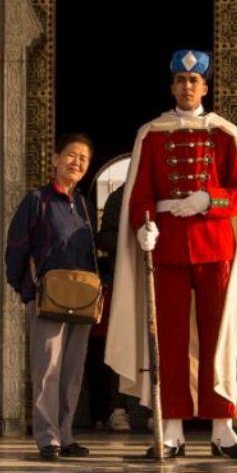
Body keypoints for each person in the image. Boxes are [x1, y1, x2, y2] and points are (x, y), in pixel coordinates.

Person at [105, 49, 237, 460]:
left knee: (217, 337)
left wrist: (209, 199)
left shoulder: (225, 134)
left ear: (205, 87)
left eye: (195, 82)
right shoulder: (152, 134)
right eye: (180, 81)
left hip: (213, 248)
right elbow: (141, 194)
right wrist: (144, 225)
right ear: (171, 86)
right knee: (168, 341)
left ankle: (223, 429)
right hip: (168, 249)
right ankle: (171, 430)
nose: (187, 87)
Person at [4, 134, 98, 462]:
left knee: (72, 371)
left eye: (83, 159)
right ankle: (48, 438)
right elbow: (16, 247)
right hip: (48, 298)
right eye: (71, 156)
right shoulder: (37, 201)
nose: (76, 163)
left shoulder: (86, 207)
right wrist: (28, 291)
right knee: (47, 370)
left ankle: (66, 434)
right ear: (56, 159)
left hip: (82, 299)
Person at [85, 184, 132, 432]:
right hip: (125, 278)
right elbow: (105, 238)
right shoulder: (119, 197)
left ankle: (161, 409)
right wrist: (132, 237)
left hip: (163, 276)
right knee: (121, 345)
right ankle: (118, 408)